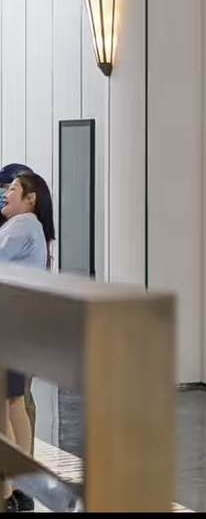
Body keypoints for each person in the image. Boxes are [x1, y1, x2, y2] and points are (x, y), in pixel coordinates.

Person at [0, 171, 55, 513]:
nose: (6, 193)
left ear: (30, 198)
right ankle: (21, 488)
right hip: (21, 328)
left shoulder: (21, 226)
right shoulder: (34, 230)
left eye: (12, 189)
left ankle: (6, 493)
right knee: (15, 404)